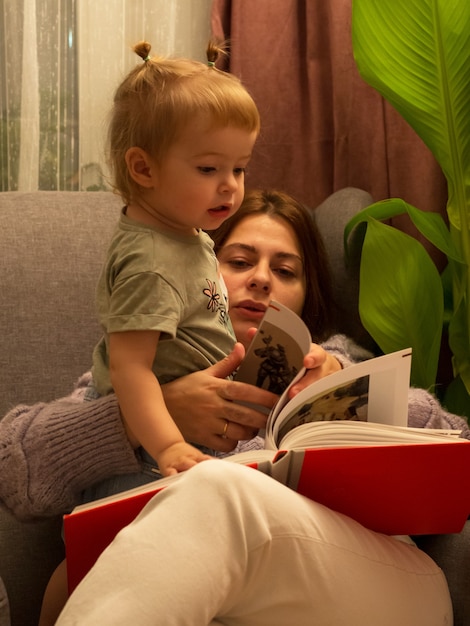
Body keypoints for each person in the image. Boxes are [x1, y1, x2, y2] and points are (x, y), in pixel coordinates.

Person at [2, 189, 468, 624]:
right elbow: (13, 469)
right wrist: (144, 415)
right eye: (240, 261)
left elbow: (457, 452)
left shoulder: (336, 363)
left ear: (307, 294)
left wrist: (346, 392)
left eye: (285, 271)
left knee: (214, 487)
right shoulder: (134, 372)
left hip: (375, 589)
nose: (262, 279)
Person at [86, 39, 260, 479]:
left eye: (238, 168)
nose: (230, 186)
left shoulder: (184, 233)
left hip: (193, 436)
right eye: (209, 169)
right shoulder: (150, 262)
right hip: (151, 454)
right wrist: (169, 447)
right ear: (143, 169)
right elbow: (130, 369)